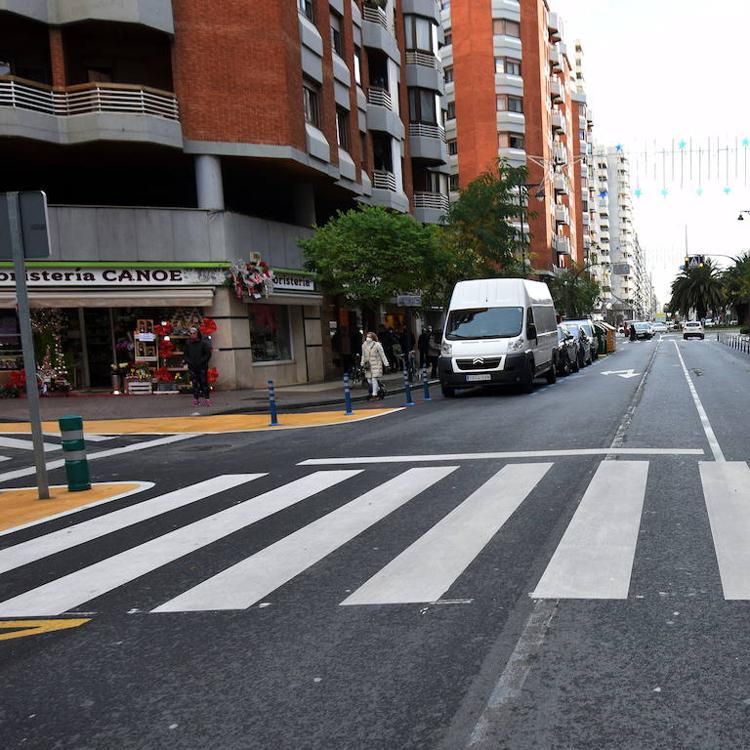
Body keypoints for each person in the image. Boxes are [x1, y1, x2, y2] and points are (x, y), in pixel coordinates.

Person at [184, 326, 212, 406]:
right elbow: (186, 354)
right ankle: (196, 399)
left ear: (197, 334)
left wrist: (202, 361)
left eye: (194, 333)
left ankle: (207, 398)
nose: (192, 335)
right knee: (194, 383)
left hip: (202, 366)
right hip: (192, 366)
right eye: (191, 333)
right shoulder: (188, 343)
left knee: (204, 382)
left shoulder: (203, 343)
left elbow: (208, 354)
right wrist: (189, 362)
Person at [361, 331, 389, 400]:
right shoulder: (364, 345)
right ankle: (379, 389)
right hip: (368, 365)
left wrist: (386, 364)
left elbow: (382, 355)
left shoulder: (377, 345)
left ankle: (374, 395)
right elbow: (363, 355)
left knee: (374, 379)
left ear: (373, 338)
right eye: (367, 336)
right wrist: (362, 363)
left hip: (376, 364)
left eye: (369, 337)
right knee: (369, 380)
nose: (368, 338)